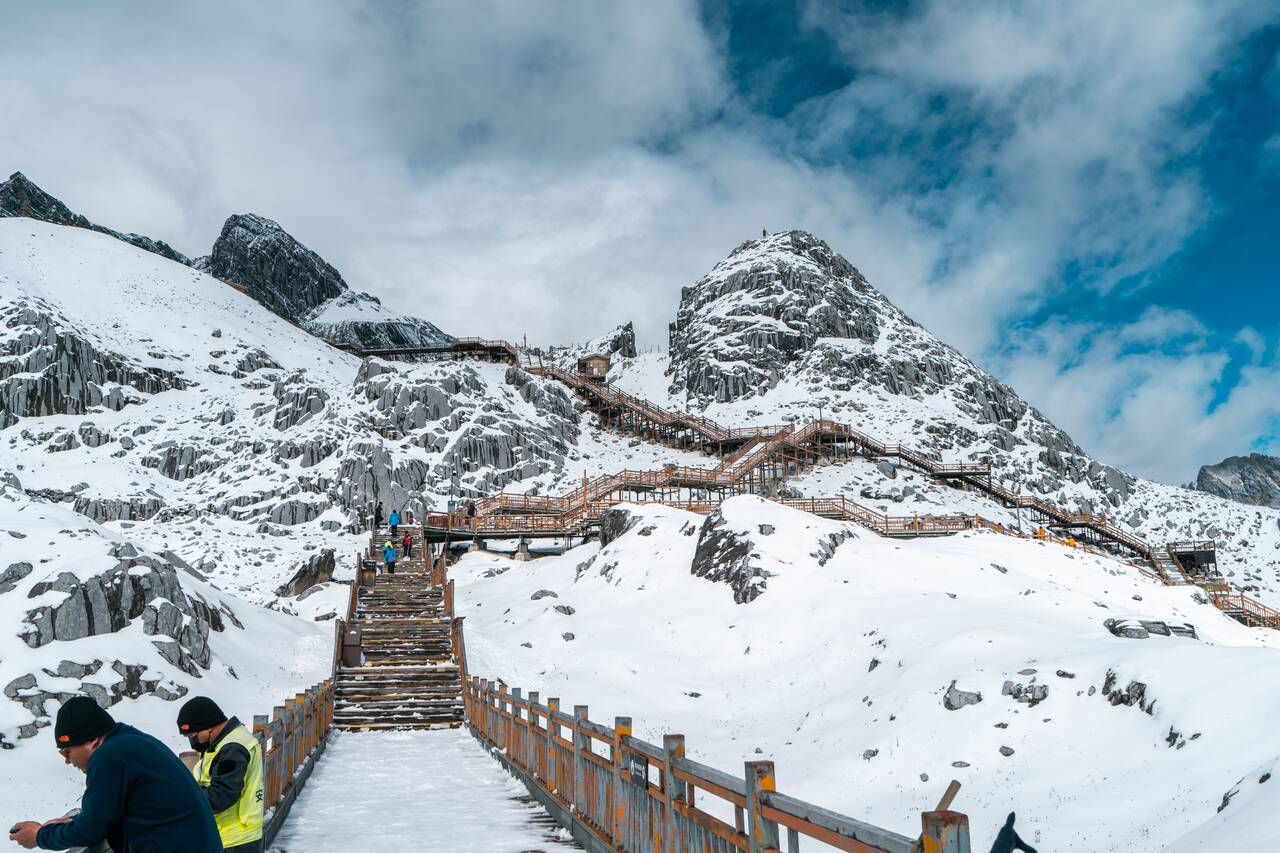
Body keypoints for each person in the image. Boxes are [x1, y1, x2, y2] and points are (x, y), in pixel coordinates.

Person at [8, 696, 221, 852]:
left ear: (93, 740)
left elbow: (91, 830)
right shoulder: (130, 742)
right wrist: (74, 822)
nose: (67, 760)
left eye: (67, 751)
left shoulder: (109, 757)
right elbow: (108, 812)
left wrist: (39, 836)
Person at [177, 696, 264, 853]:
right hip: (235, 836)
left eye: (192, 736)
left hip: (233, 839)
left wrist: (185, 796)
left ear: (208, 727)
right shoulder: (228, 740)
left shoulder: (232, 748)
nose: (192, 741)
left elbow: (222, 795)